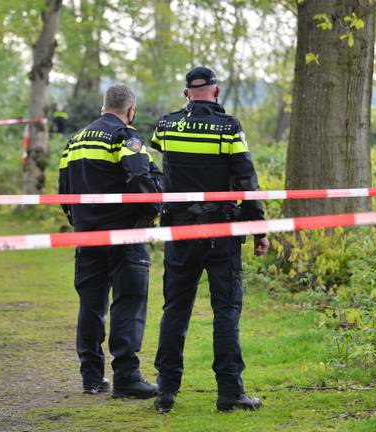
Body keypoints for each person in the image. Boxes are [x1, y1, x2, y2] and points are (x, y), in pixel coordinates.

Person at [149, 67, 270, 414]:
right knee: (226, 311)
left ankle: (166, 391)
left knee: (175, 309)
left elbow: (157, 160)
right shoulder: (230, 128)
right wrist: (258, 229)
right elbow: (247, 181)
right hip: (221, 231)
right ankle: (230, 392)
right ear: (216, 91)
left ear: (186, 93)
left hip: (180, 231)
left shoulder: (166, 125)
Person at [58, 84, 163, 398]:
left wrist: (78, 221)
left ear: (104, 106)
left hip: (87, 235)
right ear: (130, 110)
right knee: (128, 302)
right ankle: (127, 377)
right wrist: (153, 211)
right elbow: (142, 178)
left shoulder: (73, 141)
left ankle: (91, 377)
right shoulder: (124, 136)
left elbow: (64, 193)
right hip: (124, 234)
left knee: (91, 306)